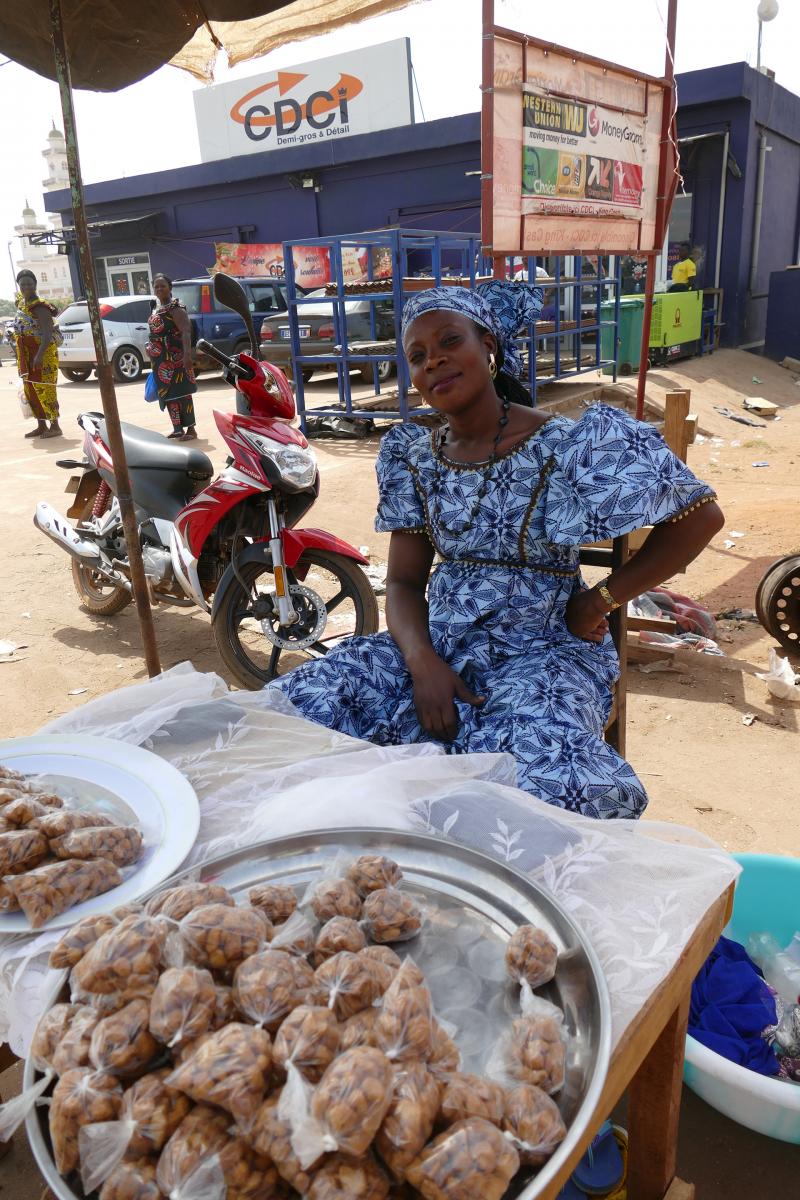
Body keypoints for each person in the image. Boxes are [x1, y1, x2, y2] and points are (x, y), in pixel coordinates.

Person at [267, 280, 723, 819]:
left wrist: (599, 600)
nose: (433, 360)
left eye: (448, 342)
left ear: (489, 346)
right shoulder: (413, 457)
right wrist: (422, 664)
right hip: (440, 642)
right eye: (417, 356)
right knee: (297, 715)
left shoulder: (570, 444)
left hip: (545, 649)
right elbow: (406, 584)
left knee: (546, 783)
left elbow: (700, 519)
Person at [146, 273, 197, 440]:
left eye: (163, 286)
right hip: (160, 360)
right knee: (168, 394)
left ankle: (191, 430)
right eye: (156, 286)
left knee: (182, 393)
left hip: (176, 357)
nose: (159, 289)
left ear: (170, 288)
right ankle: (177, 428)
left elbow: (186, 331)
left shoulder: (176, 308)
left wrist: (187, 356)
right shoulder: (156, 308)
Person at [11, 269, 62, 439]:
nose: (26, 287)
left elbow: (47, 334)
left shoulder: (40, 307)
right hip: (26, 353)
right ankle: (41, 425)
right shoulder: (21, 304)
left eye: (29, 284)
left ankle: (55, 426)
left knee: (46, 388)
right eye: (23, 284)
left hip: (43, 353)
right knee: (31, 388)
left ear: (35, 285)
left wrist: (39, 355)